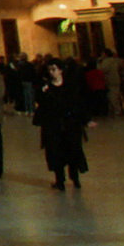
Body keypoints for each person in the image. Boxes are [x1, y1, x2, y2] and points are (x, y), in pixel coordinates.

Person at [32, 61, 90, 190]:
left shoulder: (70, 86)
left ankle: (75, 178)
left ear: (60, 70)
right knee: (56, 152)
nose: (51, 72)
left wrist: (86, 120)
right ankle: (60, 180)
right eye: (50, 70)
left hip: (70, 125)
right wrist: (43, 93)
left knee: (73, 151)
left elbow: (78, 104)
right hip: (53, 126)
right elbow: (40, 103)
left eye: (54, 69)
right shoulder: (45, 87)